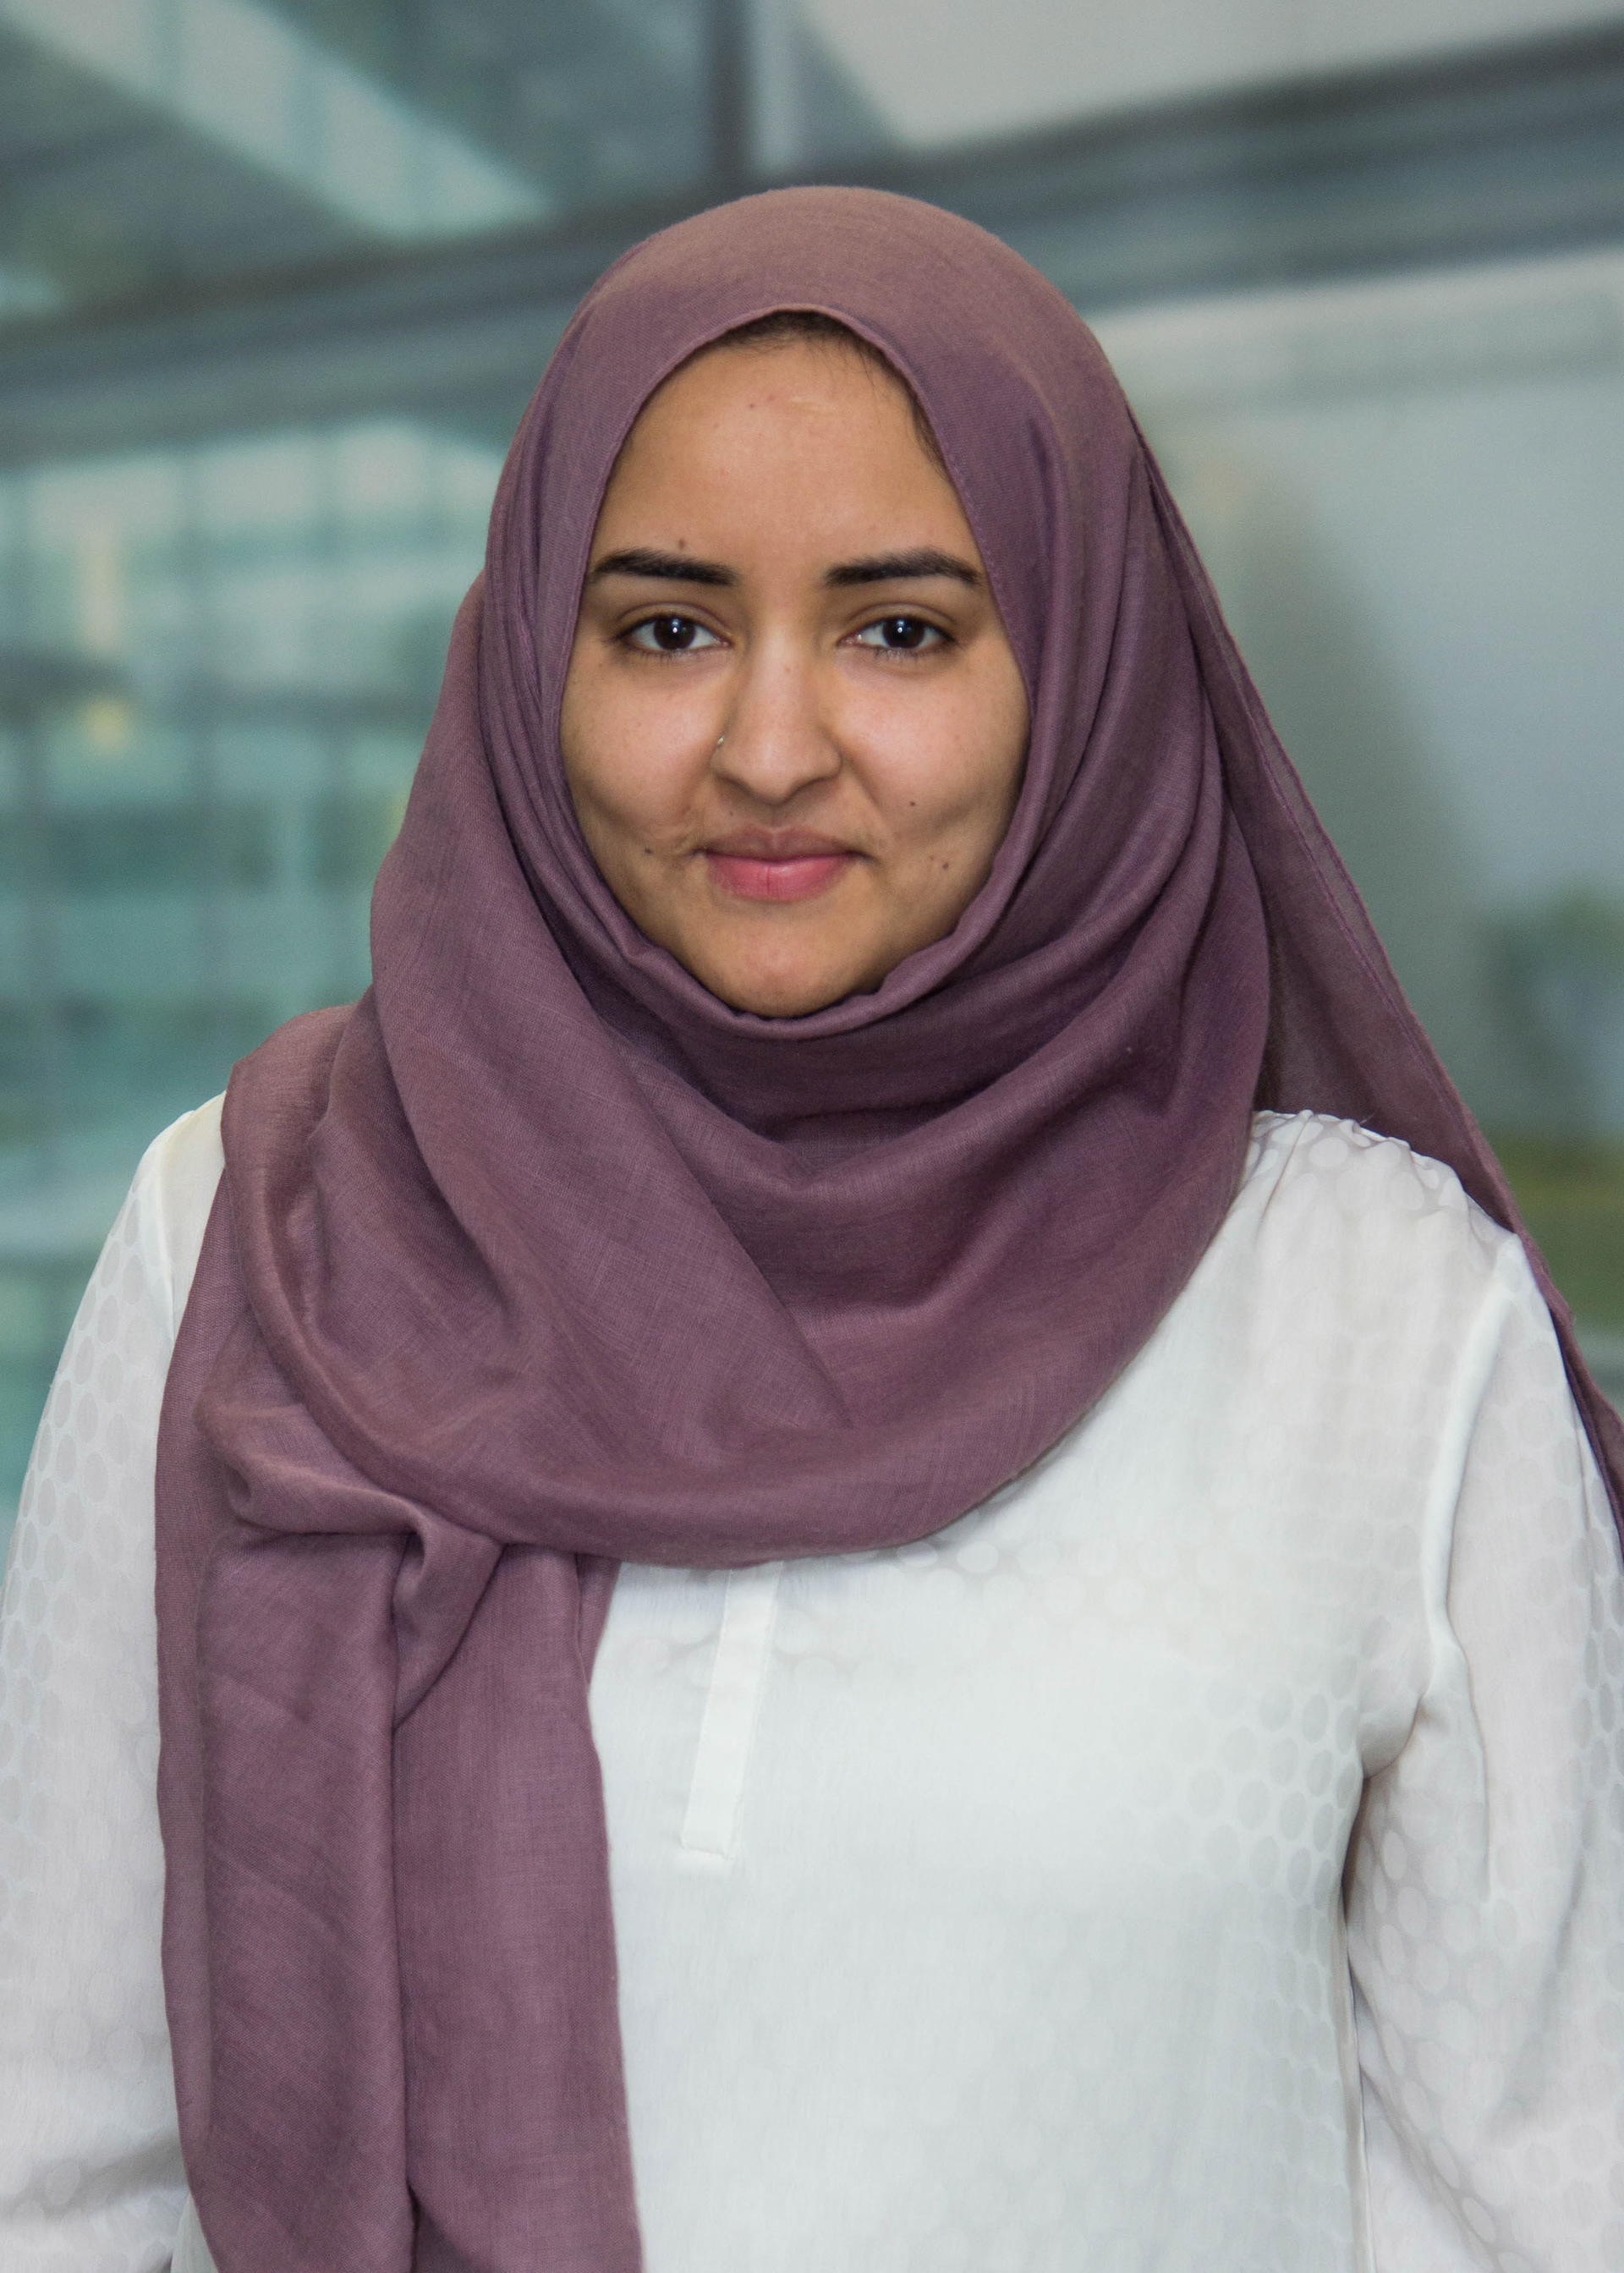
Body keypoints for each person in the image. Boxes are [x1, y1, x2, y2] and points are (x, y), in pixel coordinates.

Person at [0, 186, 1621, 2273]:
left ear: (1086, 667)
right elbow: (53, 2165)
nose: (770, 750)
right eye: (667, 630)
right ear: (531, 658)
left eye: (901, 629)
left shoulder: (1378, 1324)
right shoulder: (255, 1237)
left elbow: (1545, 2198)